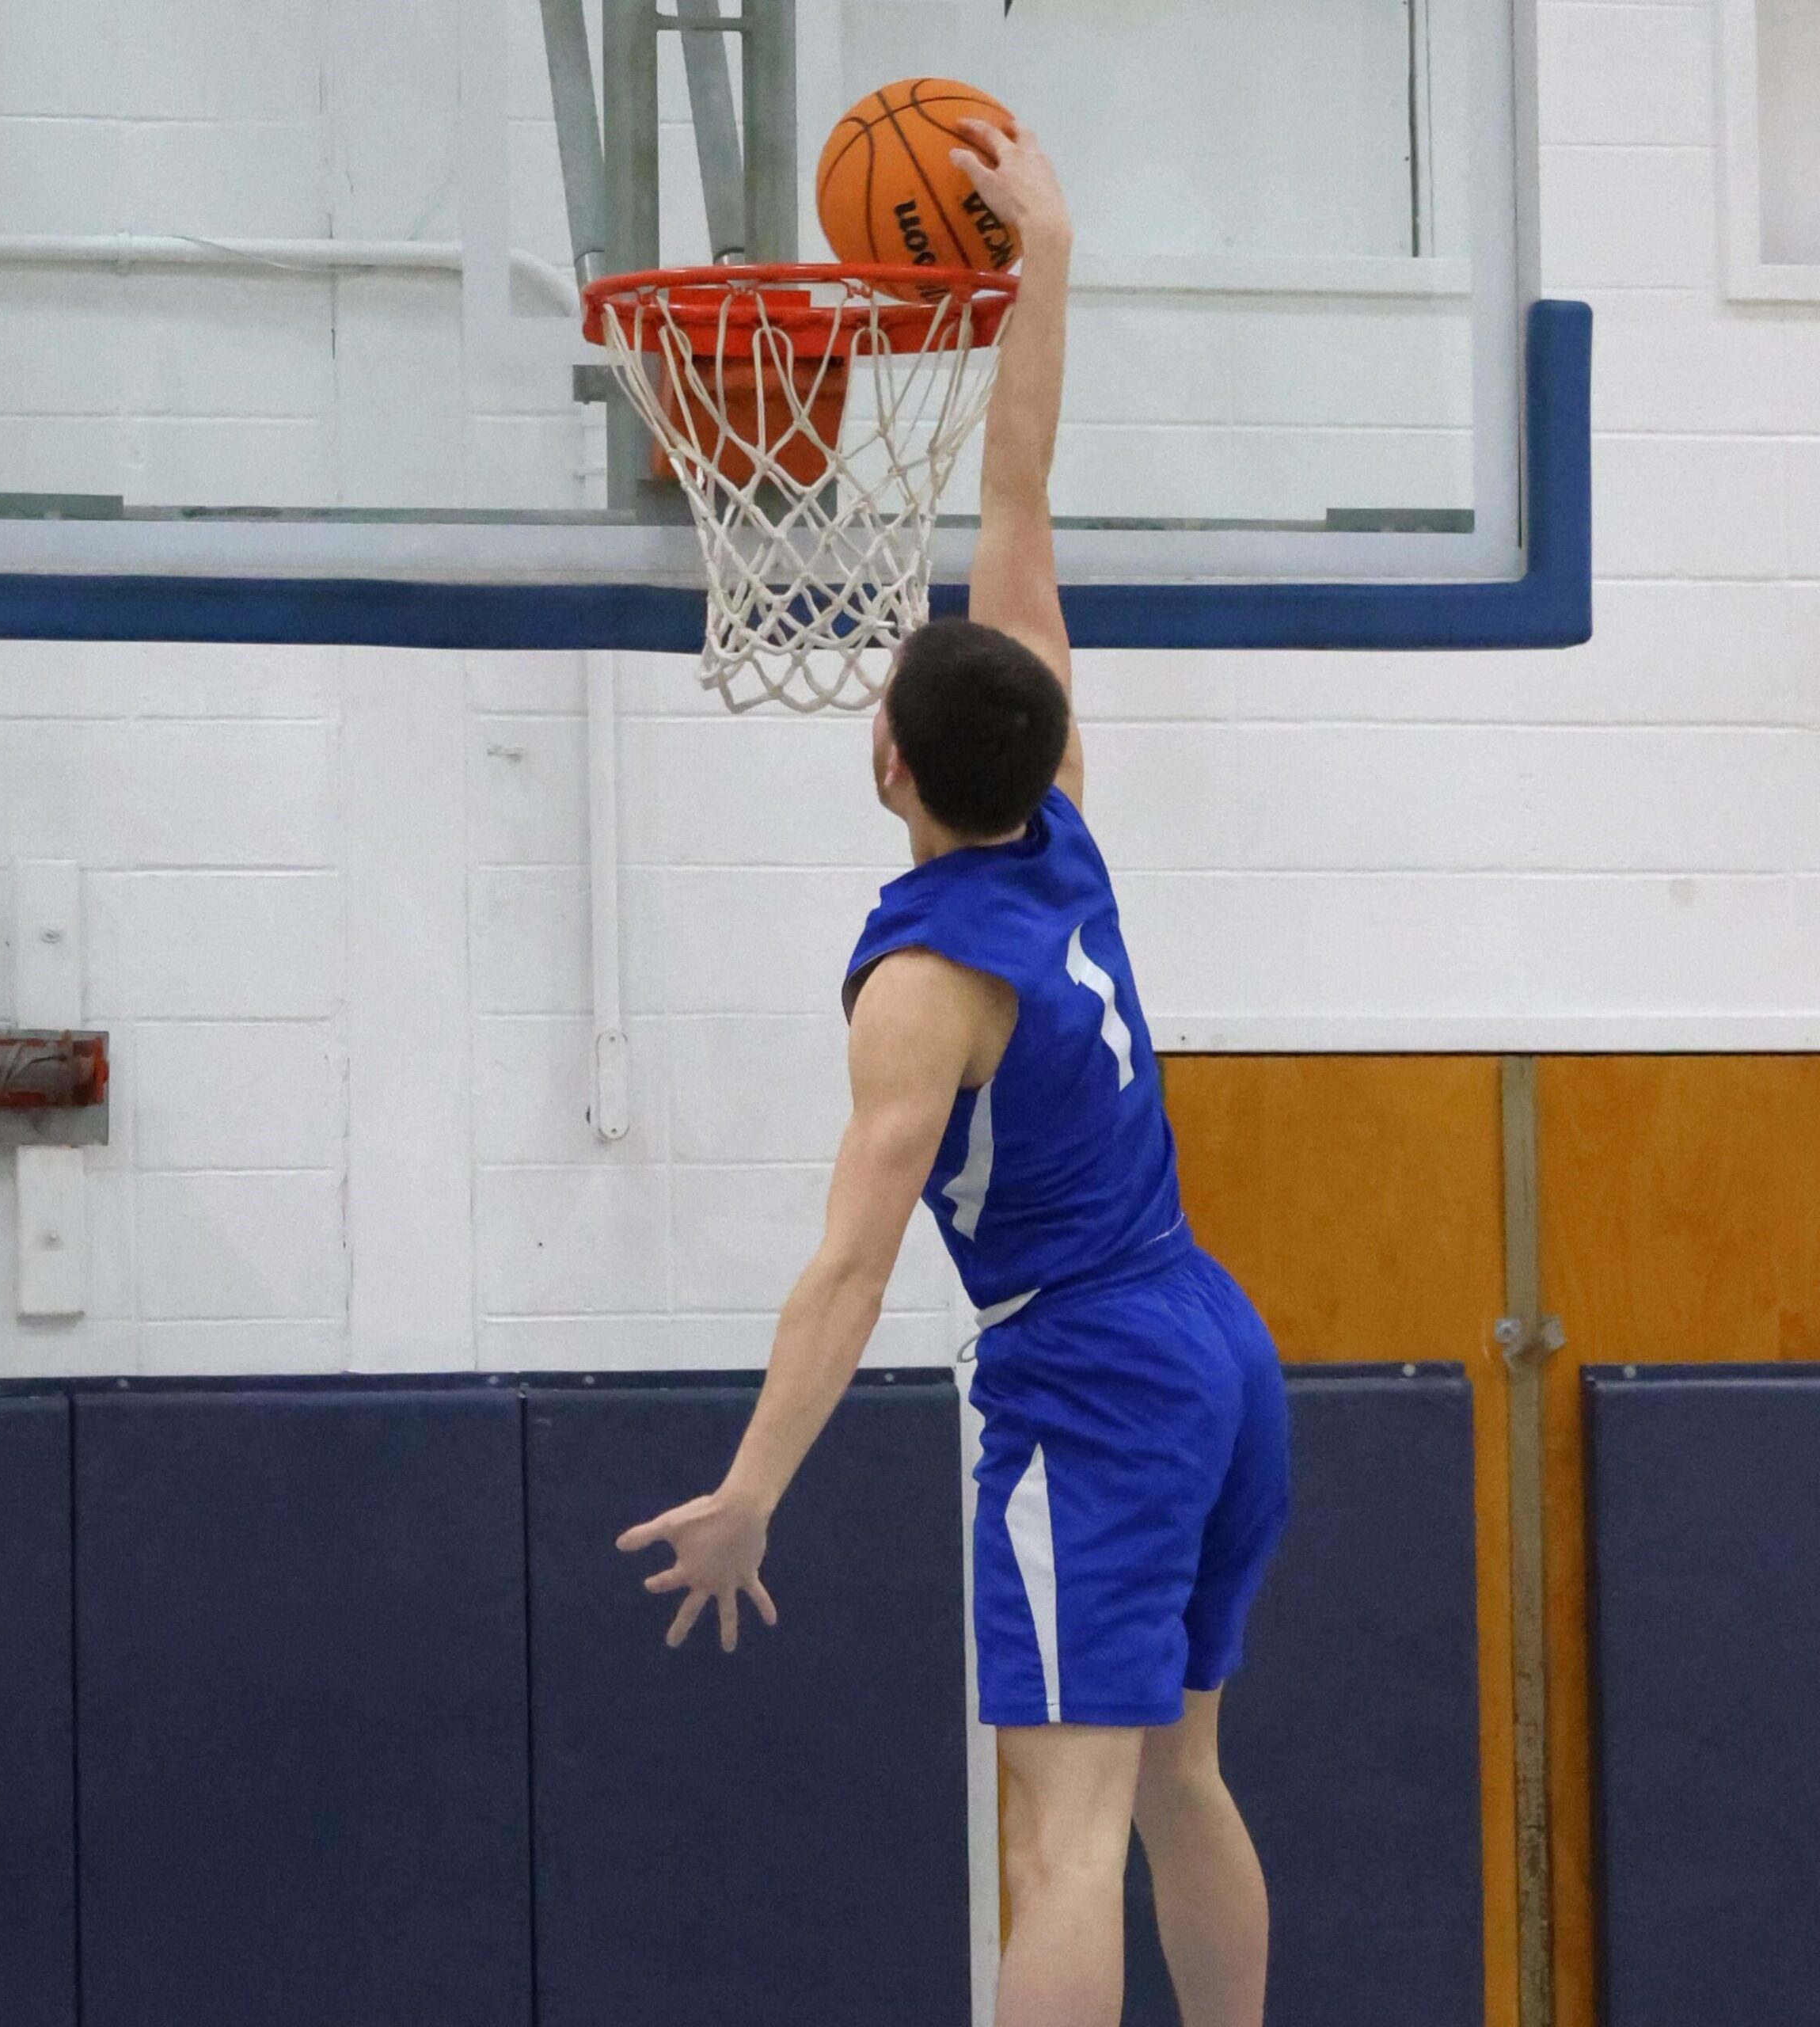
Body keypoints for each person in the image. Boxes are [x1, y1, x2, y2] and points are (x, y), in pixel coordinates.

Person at [616, 120, 1288, 2027]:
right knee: (1176, 1780)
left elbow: (844, 1267)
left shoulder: (920, 981)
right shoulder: (1056, 802)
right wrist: (1042, 257)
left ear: (884, 765)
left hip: (1086, 1370)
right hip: (1210, 1338)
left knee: (1060, 1834)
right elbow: (1017, 484)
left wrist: (755, 1484)